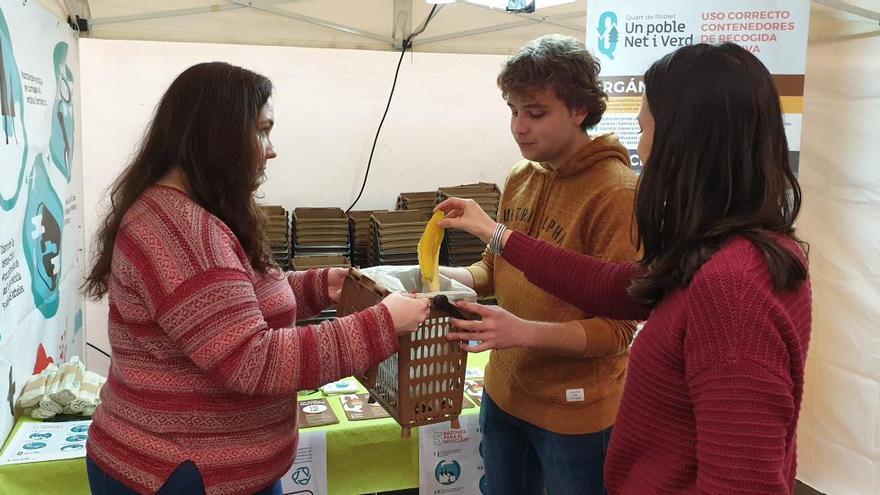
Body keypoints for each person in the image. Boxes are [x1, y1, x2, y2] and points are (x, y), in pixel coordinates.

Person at [436, 42, 811, 494]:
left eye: (645, 127)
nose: (641, 145)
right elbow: (615, 285)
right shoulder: (712, 252)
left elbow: (742, 480)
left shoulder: (733, 288)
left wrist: (522, 325)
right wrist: (491, 237)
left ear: (684, 141)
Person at [82, 62, 430, 495]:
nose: (271, 149)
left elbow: (236, 302)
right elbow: (251, 360)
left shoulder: (198, 211)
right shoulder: (182, 233)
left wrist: (322, 286)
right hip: (182, 472)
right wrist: (381, 324)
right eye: (263, 130)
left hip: (211, 467)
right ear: (220, 135)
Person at [439, 34, 639, 494]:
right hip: (504, 394)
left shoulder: (618, 193)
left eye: (536, 112)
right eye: (512, 110)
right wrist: (435, 277)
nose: (519, 127)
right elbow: (493, 271)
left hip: (576, 415)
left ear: (579, 110)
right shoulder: (520, 176)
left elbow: (618, 330)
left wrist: (521, 331)